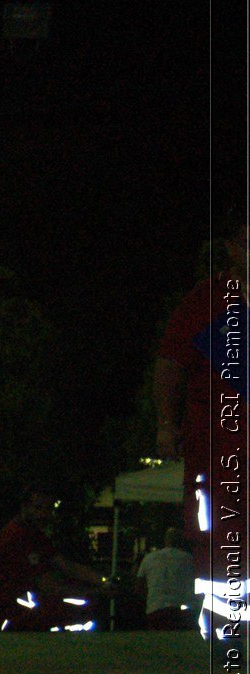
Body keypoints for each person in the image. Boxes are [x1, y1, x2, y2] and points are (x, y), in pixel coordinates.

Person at [154, 210, 248, 637]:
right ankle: (224, 619)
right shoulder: (208, 300)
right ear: (232, 248)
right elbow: (171, 364)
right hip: (217, 443)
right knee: (218, 526)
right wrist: (165, 424)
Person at [0, 488, 107, 632]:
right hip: (7, 612)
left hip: (21, 606)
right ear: (25, 507)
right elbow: (47, 584)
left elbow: (64, 564)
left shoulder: (34, 535)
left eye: (48, 509)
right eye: (38, 508)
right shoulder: (17, 536)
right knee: (78, 612)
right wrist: (94, 591)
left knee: (75, 610)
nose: (43, 514)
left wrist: (103, 581)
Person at [136, 528, 199, 631]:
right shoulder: (188, 559)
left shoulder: (149, 558)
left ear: (165, 540)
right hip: (180, 608)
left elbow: (139, 584)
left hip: (155, 607)